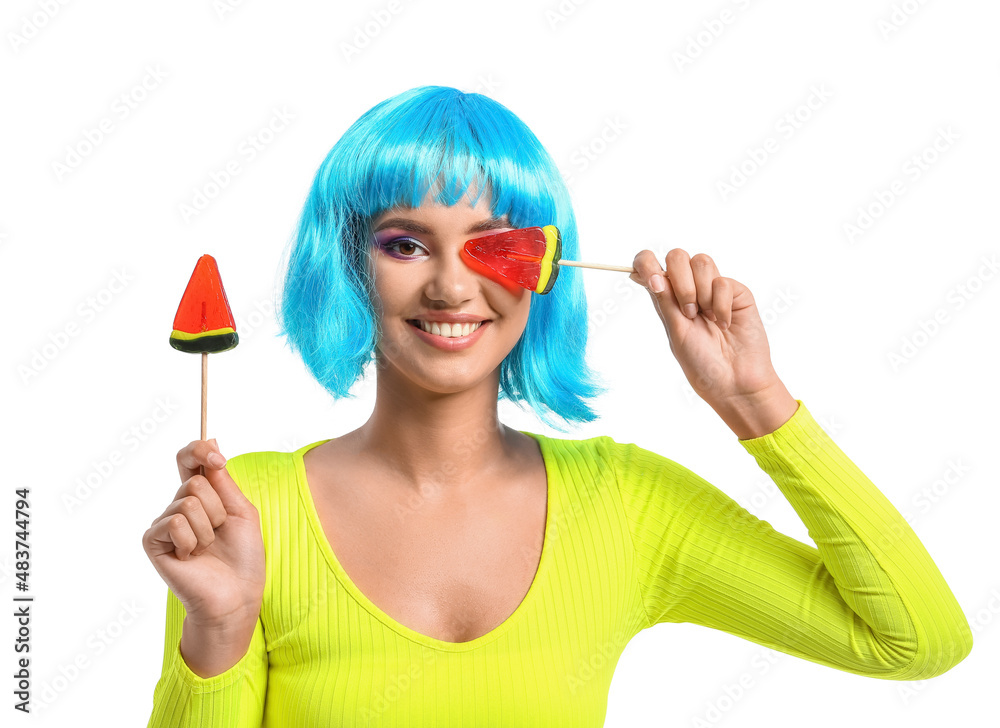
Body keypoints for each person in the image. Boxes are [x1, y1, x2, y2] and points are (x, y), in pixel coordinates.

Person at [142, 86, 973, 727]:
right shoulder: (248, 510)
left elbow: (915, 642)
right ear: (349, 265)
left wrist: (755, 401)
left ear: (544, 267)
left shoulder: (627, 503)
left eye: (491, 244)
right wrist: (219, 626)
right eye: (404, 243)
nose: (451, 285)